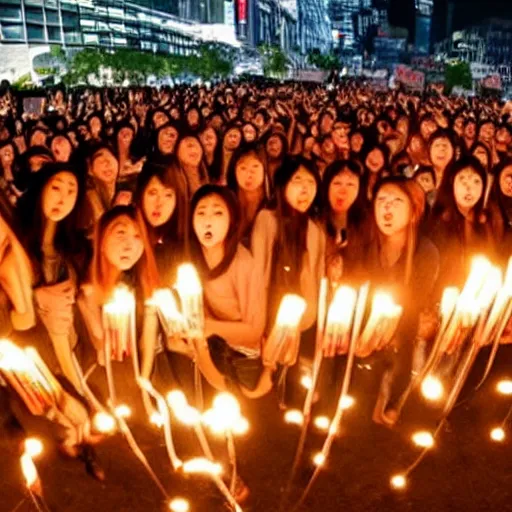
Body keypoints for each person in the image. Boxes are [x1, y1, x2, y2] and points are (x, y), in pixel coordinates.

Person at [364, 176, 439, 425]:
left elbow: (413, 304)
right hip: (364, 334)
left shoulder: (425, 252)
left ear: (414, 211)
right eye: (382, 200)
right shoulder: (365, 245)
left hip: (404, 332)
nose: (387, 208)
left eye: (397, 201)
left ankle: (394, 393)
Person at [17, 163, 87, 392]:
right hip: (31, 364)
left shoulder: (72, 249)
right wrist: (37, 297)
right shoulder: (17, 244)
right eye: (56, 188)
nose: (63, 199)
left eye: (71, 192)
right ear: (41, 189)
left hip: (72, 355)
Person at [226, 143, 269, 247]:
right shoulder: (227, 204)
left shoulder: (273, 206)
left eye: (255, 166)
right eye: (243, 168)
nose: (249, 174)